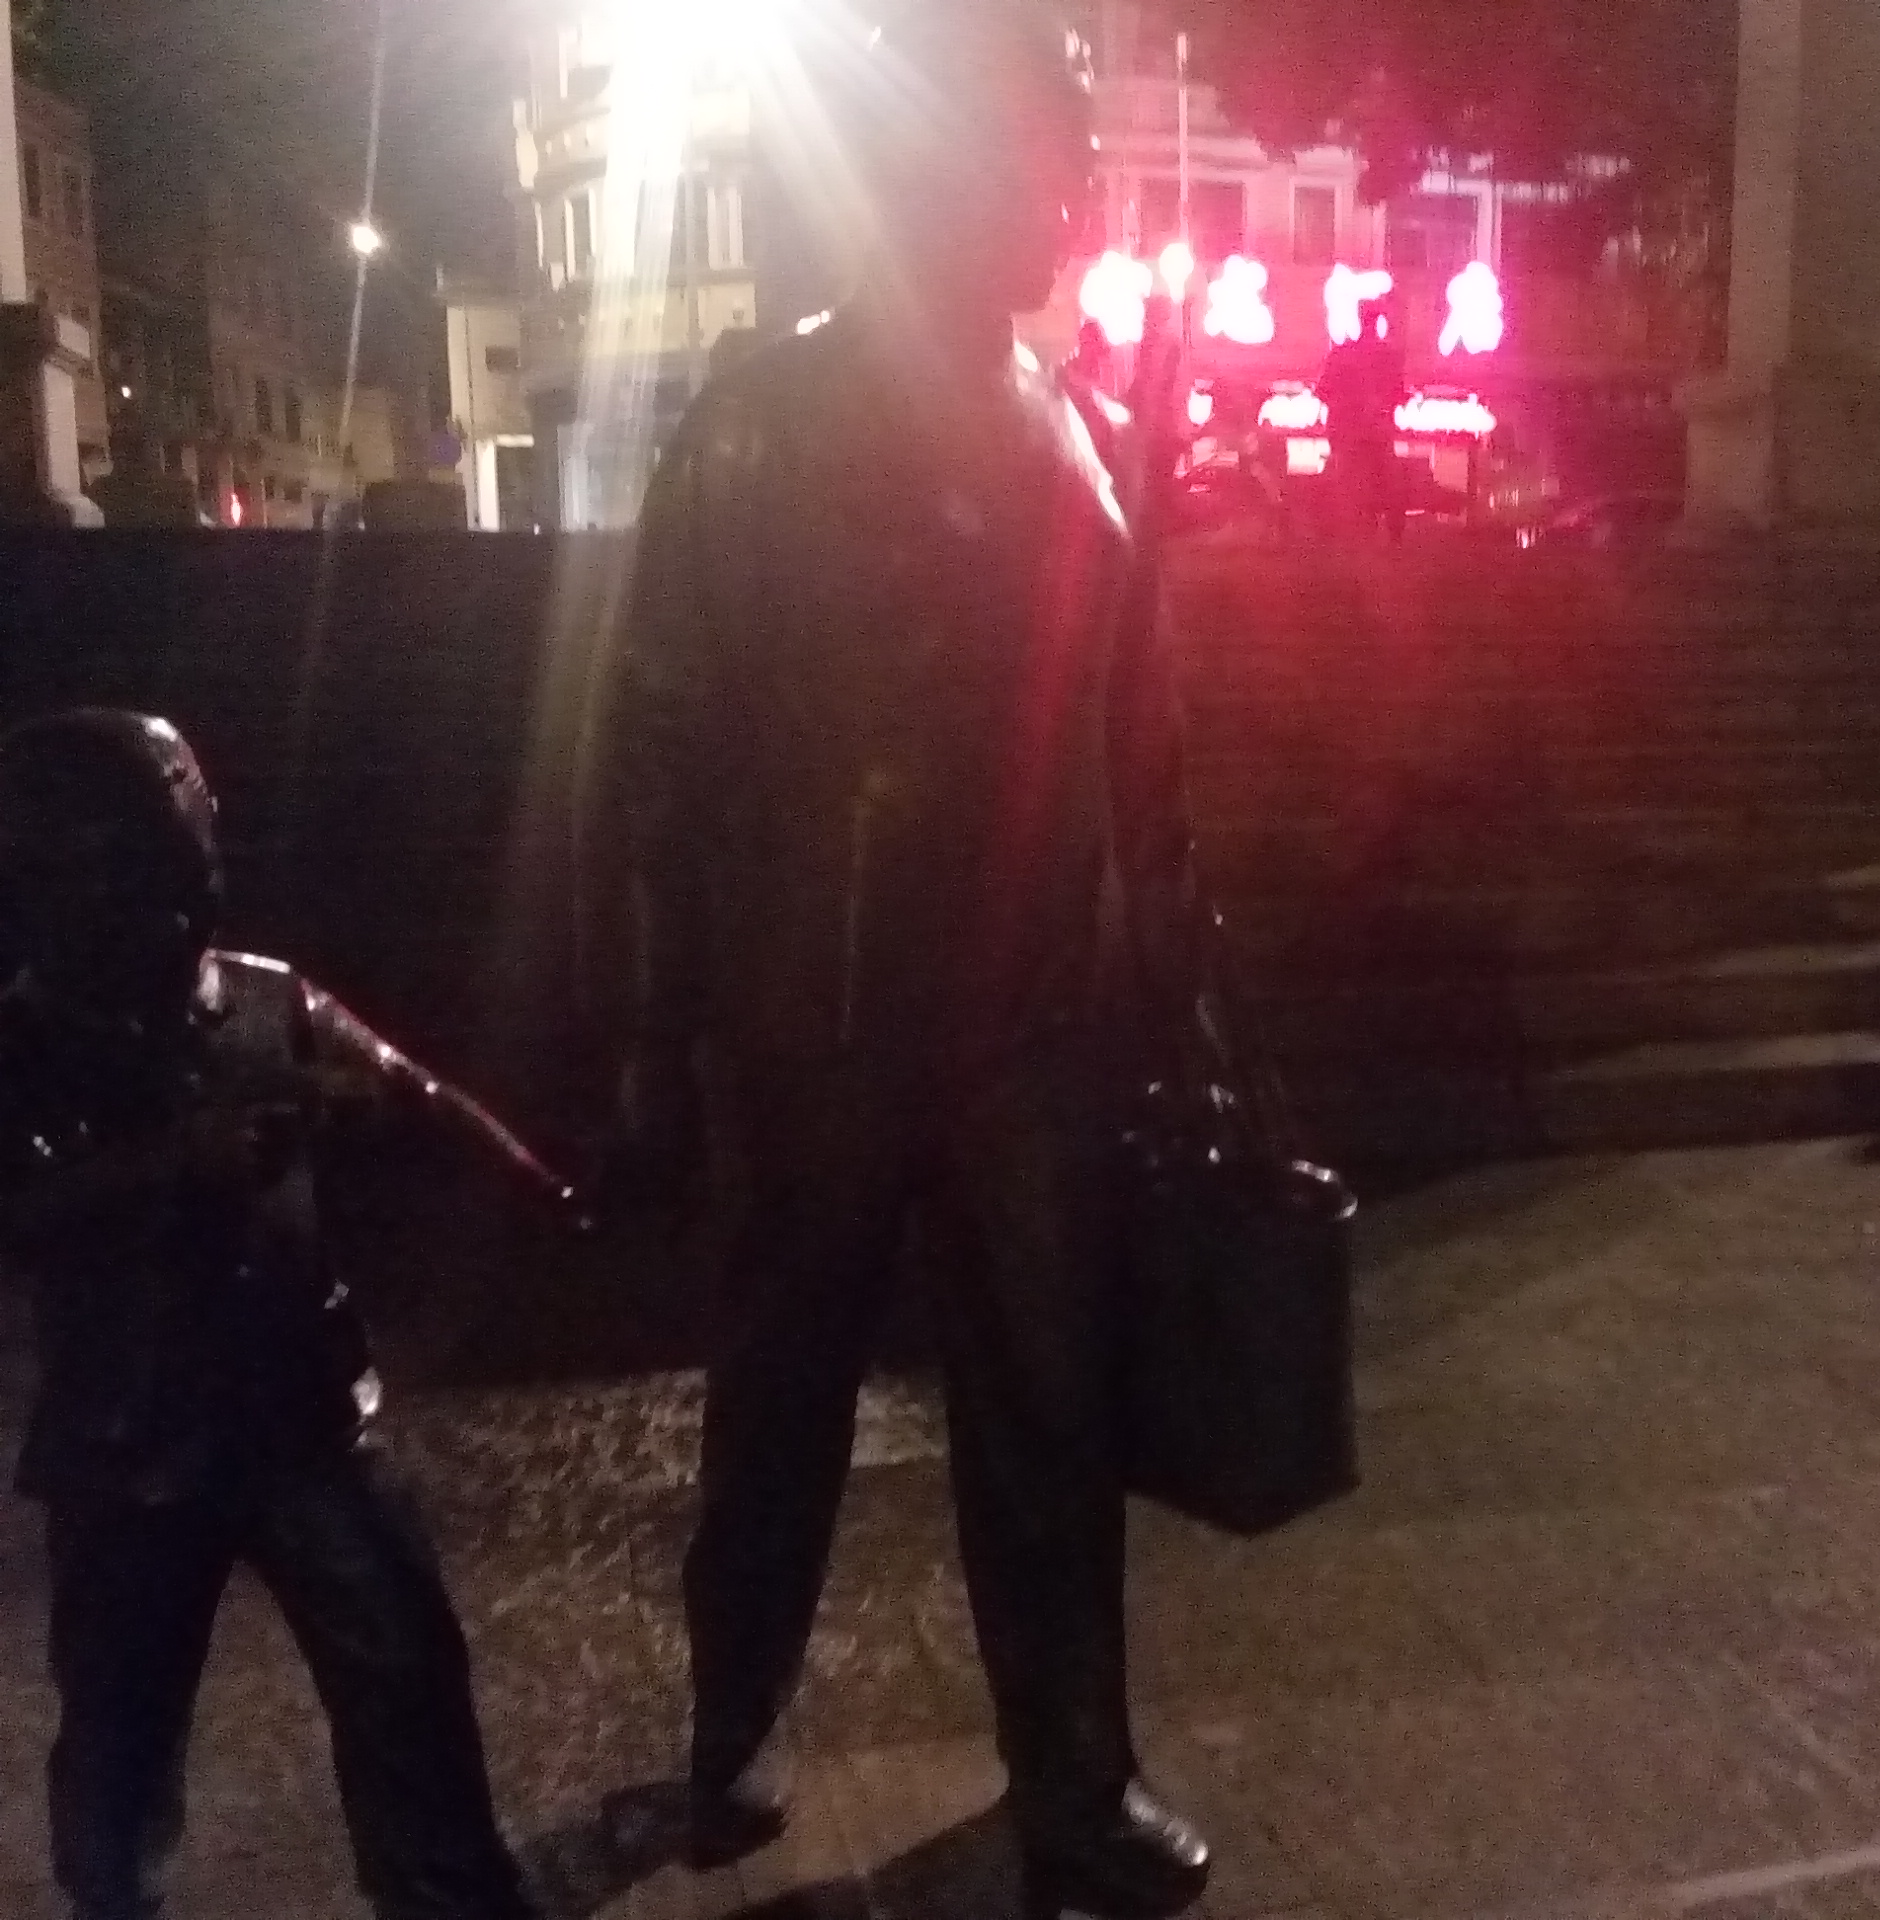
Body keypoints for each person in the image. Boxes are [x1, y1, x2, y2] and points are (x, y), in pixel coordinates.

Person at [582, 6, 1215, 1916]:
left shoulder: (1089, 442)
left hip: (1031, 1030)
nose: (1074, 198)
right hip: (818, 1020)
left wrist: (1175, 985)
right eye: (1047, 159)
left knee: (1050, 1421)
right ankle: (730, 1732)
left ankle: (1076, 1778)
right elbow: (658, 738)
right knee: (777, 1397)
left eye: (1077, 164)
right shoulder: (754, 423)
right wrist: (652, 1025)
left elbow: (1144, 757)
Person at [0, 710, 573, 1920]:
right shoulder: (28, 1044)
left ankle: (451, 1894)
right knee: (119, 1727)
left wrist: (523, 1173)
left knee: (405, 1667)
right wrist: (172, 1163)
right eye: (150, 869)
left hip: (302, 1413)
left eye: (193, 852)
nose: (184, 900)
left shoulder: (264, 998)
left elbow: (409, 1087)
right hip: (132, 1450)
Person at [1316, 297, 1407, 540]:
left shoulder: (1342, 354)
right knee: (1386, 480)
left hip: (1348, 432)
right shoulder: (1388, 357)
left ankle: (1355, 530)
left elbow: (1323, 391)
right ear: (1378, 321)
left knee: (1351, 482)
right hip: (1376, 431)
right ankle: (1391, 532)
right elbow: (1398, 394)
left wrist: (1346, 407)